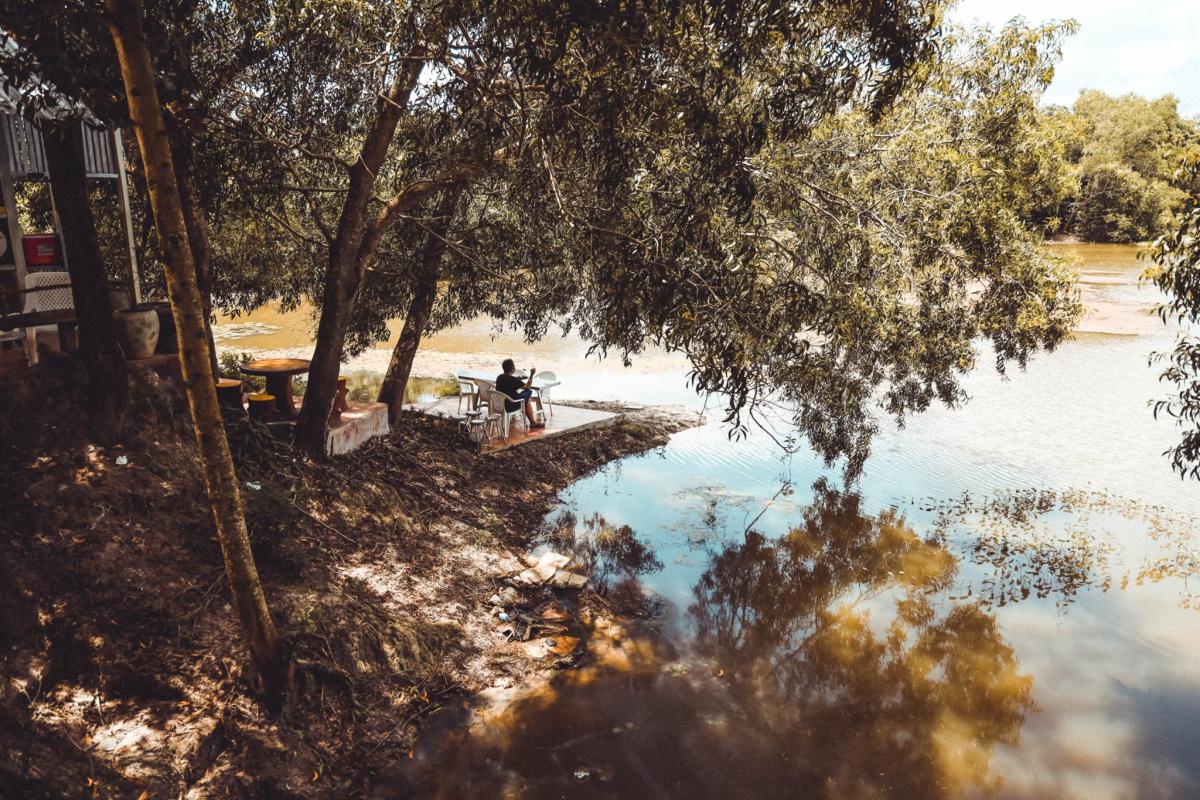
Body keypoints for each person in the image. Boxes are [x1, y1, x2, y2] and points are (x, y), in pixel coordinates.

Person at [495, 358, 545, 429]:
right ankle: (532, 423)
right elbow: (527, 386)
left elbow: (509, 383)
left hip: (499, 404)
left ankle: (532, 422)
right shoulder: (513, 380)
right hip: (510, 405)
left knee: (525, 400)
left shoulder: (499, 377)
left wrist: (517, 380)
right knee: (527, 392)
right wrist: (531, 374)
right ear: (512, 369)